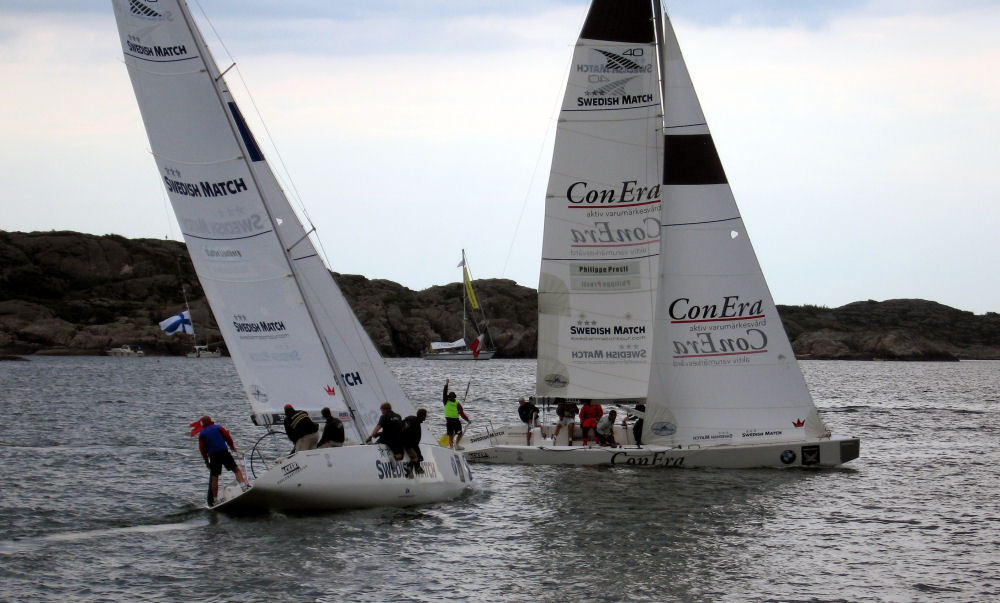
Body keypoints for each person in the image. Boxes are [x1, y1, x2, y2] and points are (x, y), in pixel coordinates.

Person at [197, 415, 247, 506]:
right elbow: (228, 437)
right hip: (224, 452)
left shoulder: (202, 434)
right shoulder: (218, 427)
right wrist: (232, 447)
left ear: (203, 423)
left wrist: (206, 461)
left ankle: (215, 500)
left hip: (213, 456)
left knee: (215, 477)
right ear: (211, 421)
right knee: (236, 469)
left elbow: (202, 449)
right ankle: (244, 487)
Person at [442, 379, 472, 450]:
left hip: (456, 421)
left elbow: (461, 413)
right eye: (450, 397)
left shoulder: (457, 403)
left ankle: (457, 445)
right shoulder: (446, 401)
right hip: (449, 420)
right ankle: (451, 446)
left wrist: (468, 420)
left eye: (452, 397)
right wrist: (446, 384)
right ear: (448, 397)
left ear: (454, 397)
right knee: (451, 434)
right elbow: (444, 392)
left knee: (459, 433)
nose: (451, 398)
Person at [401, 408, 427, 476]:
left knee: (419, 455)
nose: (425, 418)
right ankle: (409, 467)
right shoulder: (413, 422)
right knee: (415, 456)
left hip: (411, 443)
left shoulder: (414, 420)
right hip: (407, 443)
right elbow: (404, 429)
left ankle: (417, 467)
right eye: (425, 416)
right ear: (423, 416)